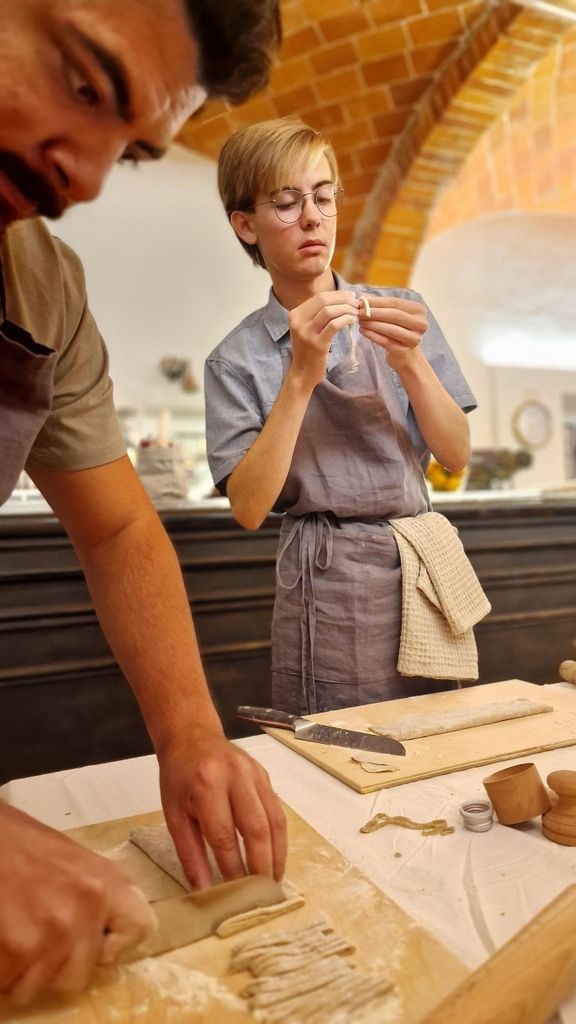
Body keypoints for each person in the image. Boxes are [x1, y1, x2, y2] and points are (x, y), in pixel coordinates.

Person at [0, 0, 286, 1005]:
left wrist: (191, 733)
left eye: (125, 152)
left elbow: (119, 527)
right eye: (83, 83)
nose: (82, 181)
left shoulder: (38, 287)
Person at [205, 117, 477, 718]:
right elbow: (249, 507)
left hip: (420, 565)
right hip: (325, 582)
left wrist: (409, 361)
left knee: (437, 733)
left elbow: (456, 454)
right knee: (342, 744)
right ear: (245, 225)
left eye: (323, 197)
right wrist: (300, 377)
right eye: (286, 203)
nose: (312, 218)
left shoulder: (402, 311)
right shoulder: (236, 359)